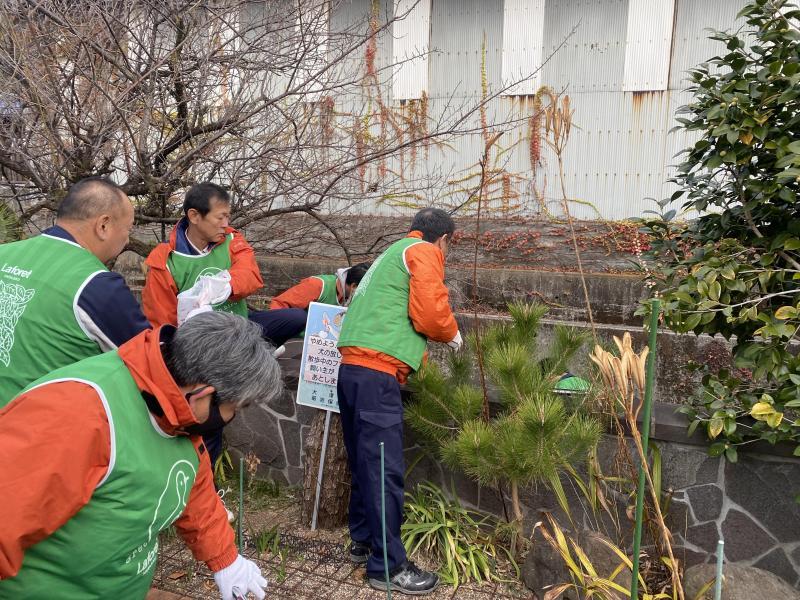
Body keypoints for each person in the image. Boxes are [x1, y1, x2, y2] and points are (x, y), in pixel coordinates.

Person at [0, 311, 280, 600]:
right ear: (202, 395)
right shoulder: (76, 416)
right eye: (236, 407)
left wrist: (226, 560)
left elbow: (189, 483)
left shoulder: (176, 411)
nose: (232, 416)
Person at [336, 207, 462, 595]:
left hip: (352, 371)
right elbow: (429, 314)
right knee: (384, 470)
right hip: (377, 375)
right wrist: (452, 333)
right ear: (443, 239)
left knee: (363, 462)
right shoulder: (423, 252)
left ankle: (363, 542)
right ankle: (387, 567)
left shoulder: (388, 257)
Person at [142, 182, 305, 467]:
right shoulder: (166, 261)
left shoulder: (230, 240)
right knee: (211, 423)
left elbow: (250, 274)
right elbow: (161, 321)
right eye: (220, 217)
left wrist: (225, 284)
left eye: (228, 216)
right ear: (194, 216)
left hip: (239, 328)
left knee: (296, 318)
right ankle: (204, 482)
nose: (226, 224)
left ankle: (257, 356)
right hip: (201, 350)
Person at [0, 177, 149, 404]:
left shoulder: (5, 254)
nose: (127, 240)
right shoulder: (96, 285)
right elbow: (151, 367)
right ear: (103, 225)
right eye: (127, 229)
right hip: (42, 429)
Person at [270, 262, 372, 310]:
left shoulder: (348, 297)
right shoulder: (317, 285)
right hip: (297, 339)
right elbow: (279, 304)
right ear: (354, 286)